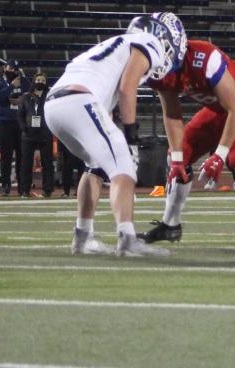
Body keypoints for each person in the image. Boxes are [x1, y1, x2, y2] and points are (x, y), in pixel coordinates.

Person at [45, 15, 178, 256]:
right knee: (124, 167)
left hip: (54, 105)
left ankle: (82, 237)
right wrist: (130, 136)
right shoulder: (148, 42)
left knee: (95, 166)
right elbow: (128, 88)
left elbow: (107, 98)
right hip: (79, 100)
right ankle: (127, 239)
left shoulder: (112, 47)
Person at [141, 14, 235, 245]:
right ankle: (170, 225)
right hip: (218, 108)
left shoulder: (205, 57)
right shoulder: (161, 72)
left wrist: (219, 156)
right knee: (178, 155)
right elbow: (172, 114)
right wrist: (178, 161)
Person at [18, 71, 55, 197]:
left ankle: (48, 189)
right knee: (26, 164)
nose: (40, 82)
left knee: (47, 163)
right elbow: (20, 114)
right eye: (38, 80)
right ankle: (24, 190)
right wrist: (23, 127)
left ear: (46, 83)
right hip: (28, 134)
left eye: (43, 81)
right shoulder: (26, 97)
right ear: (34, 81)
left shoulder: (50, 97)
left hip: (45, 133)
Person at [0, 60, 24, 194]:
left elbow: (30, 96)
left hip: (20, 122)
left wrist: (21, 100)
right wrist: (11, 86)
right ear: (5, 68)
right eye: (10, 67)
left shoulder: (23, 81)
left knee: (21, 156)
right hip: (4, 122)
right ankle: (6, 186)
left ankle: (23, 186)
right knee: (6, 156)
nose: (12, 70)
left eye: (15, 69)